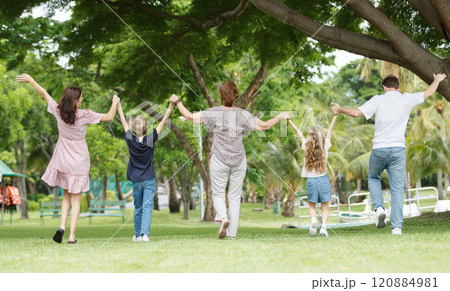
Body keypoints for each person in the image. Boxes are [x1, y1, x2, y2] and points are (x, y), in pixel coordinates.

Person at [169, 81, 290, 239]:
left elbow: (189, 116)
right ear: (235, 95)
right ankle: (232, 235)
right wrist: (280, 116)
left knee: (218, 194)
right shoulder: (242, 114)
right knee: (234, 197)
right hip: (238, 160)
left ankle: (223, 218)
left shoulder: (215, 113)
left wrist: (177, 101)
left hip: (219, 159)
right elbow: (265, 126)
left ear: (221, 96)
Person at [330, 73, 447, 235]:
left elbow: (356, 113)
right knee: (397, 189)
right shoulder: (406, 98)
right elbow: (428, 93)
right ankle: (397, 228)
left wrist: (340, 108)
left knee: (373, 177)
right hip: (398, 150)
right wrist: (437, 80)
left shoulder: (378, 100)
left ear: (384, 87)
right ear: (398, 87)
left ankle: (379, 208)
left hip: (379, 149)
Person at [15, 73, 119, 244]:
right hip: (79, 161)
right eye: (81, 97)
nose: (82, 99)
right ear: (76, 100)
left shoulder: (58, 111)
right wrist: (114, 103)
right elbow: (109, 117)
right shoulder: (85, 115)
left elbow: (44, 94)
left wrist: (32, 80)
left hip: (63, 159)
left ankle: (61, 226)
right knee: (76, 200)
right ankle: (71, 237)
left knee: (66, 198)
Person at [117, 100, 174, 242]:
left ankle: (137, 235)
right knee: (147, 207)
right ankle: (145, 235)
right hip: (149, 179)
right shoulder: (150, 140)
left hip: (136, 180)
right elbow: (162, 123)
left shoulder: (131, 139)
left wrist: (118, 106)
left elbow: (123, 122)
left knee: (138, 208)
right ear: (146, 127)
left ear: (133, 128)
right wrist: (170, 107)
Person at [288, 115, 337, 237]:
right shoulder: (325, 146)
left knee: (312, 205)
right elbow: (330, 130)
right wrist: (335, 116)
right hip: (323, 179)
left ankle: (313, 220)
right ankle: (323, 228)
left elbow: (299, 133)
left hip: (311, 181)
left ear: (310, 137)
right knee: (325, 206)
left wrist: (290, 121)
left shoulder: (306, 146)